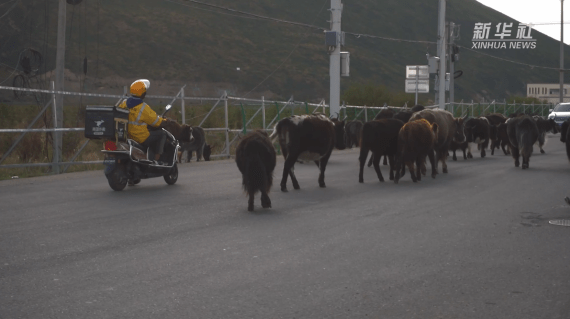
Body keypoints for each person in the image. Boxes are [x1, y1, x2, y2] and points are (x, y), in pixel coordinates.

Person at [118, 79, 169, 164]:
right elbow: (157, 122)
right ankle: (157, 159)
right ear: (142, 93)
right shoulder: (143, 107)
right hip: (140, 138)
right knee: (162, 134)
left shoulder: (123, 103)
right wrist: (165, 121)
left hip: (127, 136)